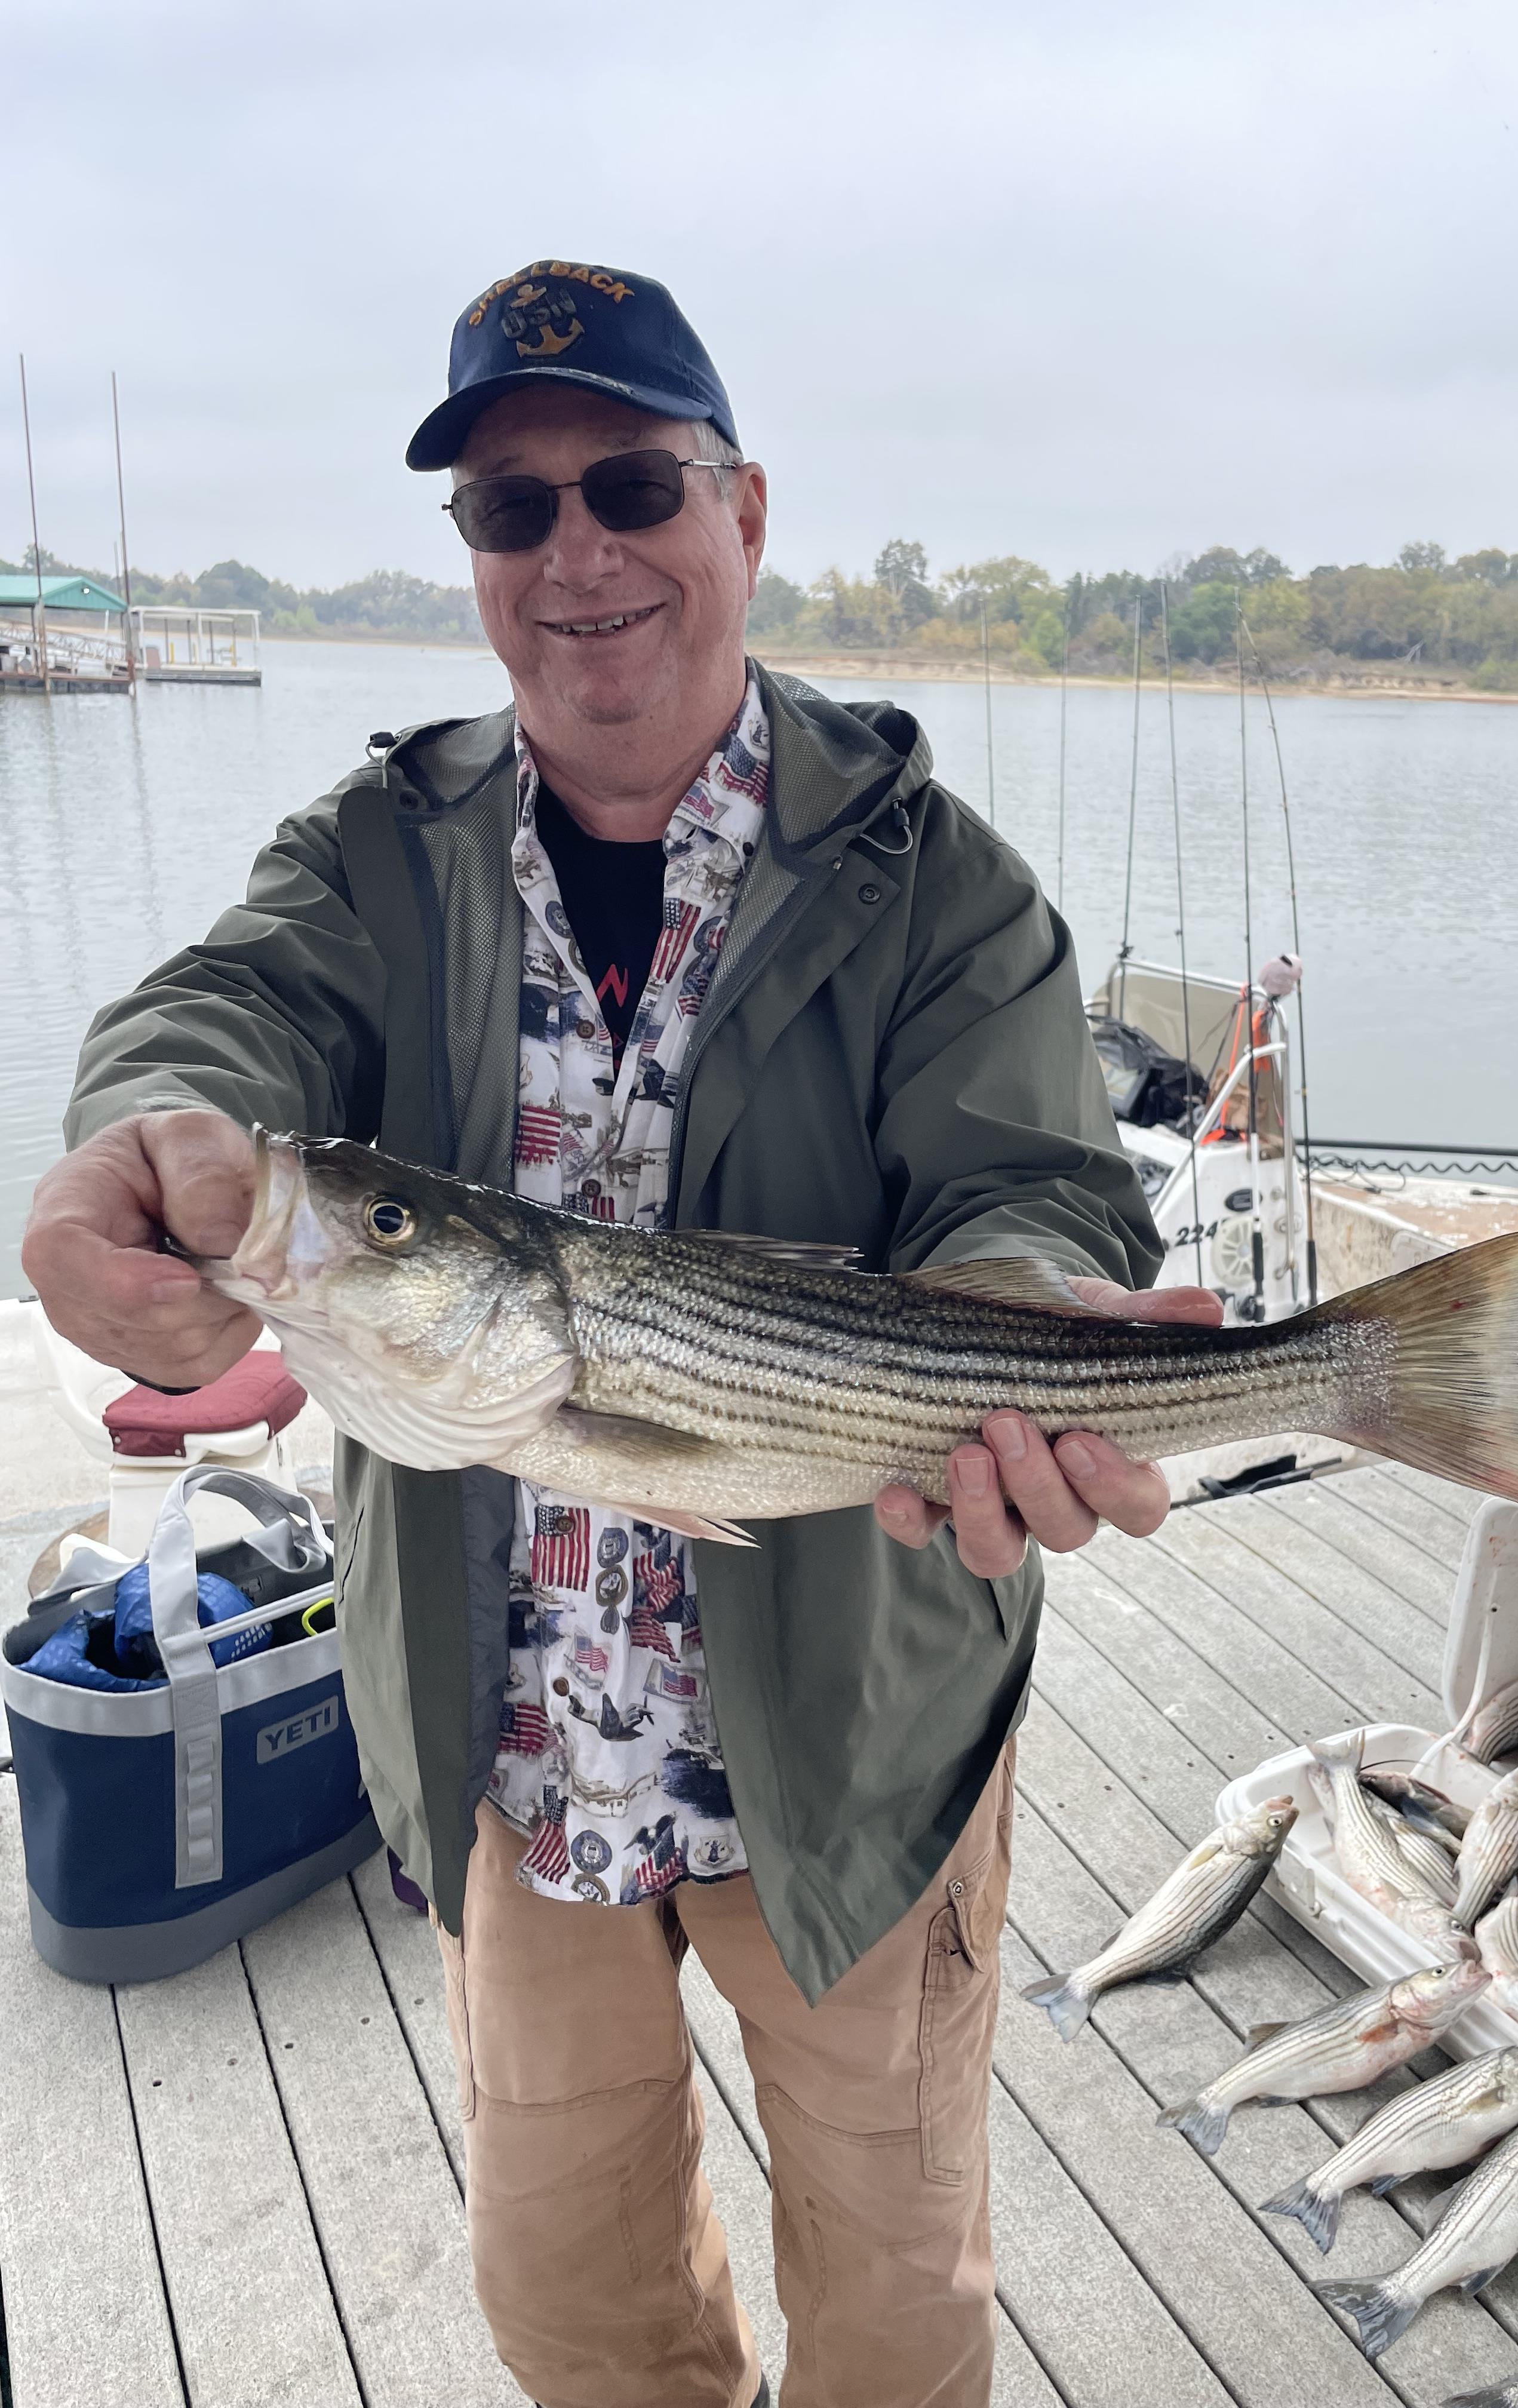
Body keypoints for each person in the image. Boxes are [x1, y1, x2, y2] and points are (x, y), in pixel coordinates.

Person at [23, 259, 1222, 2408]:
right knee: (574, 2308)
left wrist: (1030, 1330)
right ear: (472, 560)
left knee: (894, 2289)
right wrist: (149, 1135)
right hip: (507, 1755)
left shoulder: (942, 883)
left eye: (632, 483)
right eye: (508, 508)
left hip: (853, 1750)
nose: (574, 552)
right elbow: (221, 1011)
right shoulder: (375, 847)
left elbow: (1030, 1187)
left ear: (744, 512)